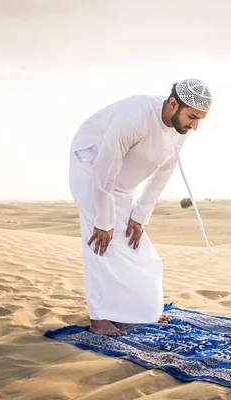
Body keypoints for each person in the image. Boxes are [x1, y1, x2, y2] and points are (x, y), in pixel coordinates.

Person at [68, 78, 213, 336]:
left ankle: (142, 310)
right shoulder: (133, 117)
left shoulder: (181, 130)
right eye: (192, 117)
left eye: (200, 119)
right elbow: (104, 171)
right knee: (101, 244)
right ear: (172, 104)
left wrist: (140, 215)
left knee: (139, 248)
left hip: (123, 184)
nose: (196, 126)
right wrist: (103, 220)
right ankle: (99, 319)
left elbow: (163, 173)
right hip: (91, 172)